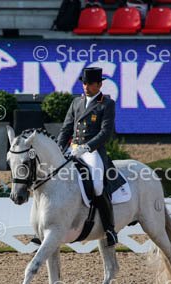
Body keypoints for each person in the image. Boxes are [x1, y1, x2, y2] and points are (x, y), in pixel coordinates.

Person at [57, 67, 120, 247]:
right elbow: (66, 128)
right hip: (73, 149)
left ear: (99, 85)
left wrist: (87, 147)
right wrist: (59, 148)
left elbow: (105, 133)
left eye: (90, 84)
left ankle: (109, 229)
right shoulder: (76, 102)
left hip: (92, 151)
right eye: (84, 83)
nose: (86, 86)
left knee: (98, 185)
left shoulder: (106, 103)